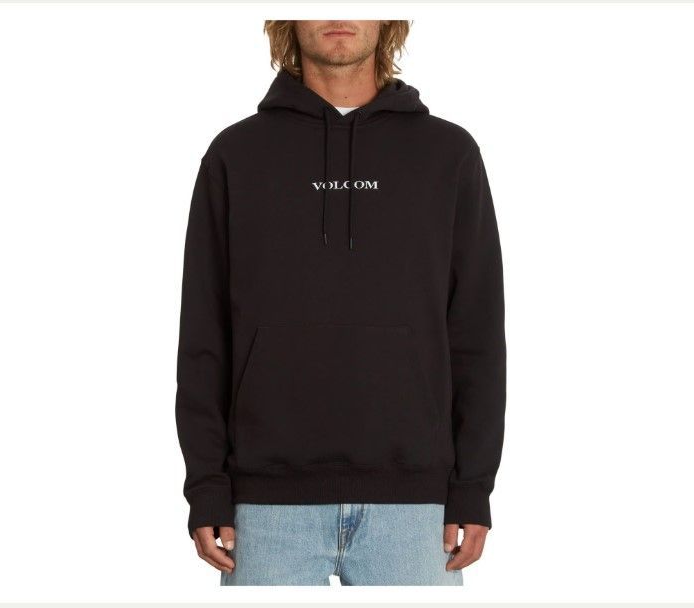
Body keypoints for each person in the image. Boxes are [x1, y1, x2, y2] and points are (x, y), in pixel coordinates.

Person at [175, 19, 507, 586]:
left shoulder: (448, 154)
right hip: (264, 509)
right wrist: (206, 485)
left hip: (416, 510)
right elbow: (205, 335)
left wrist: (473, 485)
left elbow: (476, 332)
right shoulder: (236, 154)